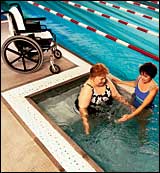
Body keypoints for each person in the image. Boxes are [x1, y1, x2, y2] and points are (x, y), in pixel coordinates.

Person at [74, 63, 135, 135]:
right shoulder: (87, 89)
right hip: (90, 108)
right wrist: (86, 124)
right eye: (101, 79)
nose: (103, 80)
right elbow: (83, 108)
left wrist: (129, 106)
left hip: (102, 104)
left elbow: (117, 96)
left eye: (104, 78)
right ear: (93, 77)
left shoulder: (106, 81)